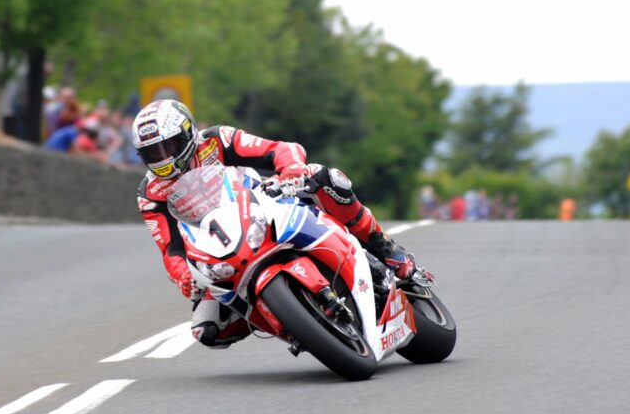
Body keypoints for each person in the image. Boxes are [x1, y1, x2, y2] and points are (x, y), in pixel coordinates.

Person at [134, 100, 430, 348]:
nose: (164, 159)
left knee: (327, 179)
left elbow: (278, 148)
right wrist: (185, 277)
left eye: (168, 146)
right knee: (207, 330)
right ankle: (294, 327)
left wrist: (290, 170)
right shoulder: (150, 194)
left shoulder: (217, 140)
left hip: (264, 206)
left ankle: (387, 251)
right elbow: (170, 248)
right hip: (222, 249)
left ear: (187, 134)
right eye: (152, 153)